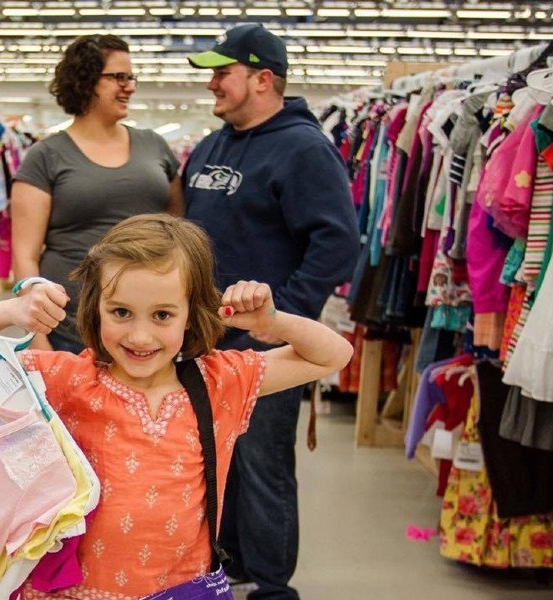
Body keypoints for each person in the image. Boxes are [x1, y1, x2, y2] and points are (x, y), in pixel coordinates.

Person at [0, 213, 353, 598]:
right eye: (121, 312)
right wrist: (10, 311)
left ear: (191, 316)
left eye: (162, 315)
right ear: (95, 308)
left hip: (182, 591)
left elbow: (332, 355)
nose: (140, 336)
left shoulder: (219, 381)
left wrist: (273, 322)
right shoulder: (67, 378)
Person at [183, 24, 361, 599]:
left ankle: (272, 586)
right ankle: (230, 560)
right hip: (203, 337)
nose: (212, 83)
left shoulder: (305, 148)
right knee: (216, 457)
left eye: (222, 72)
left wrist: (279, 321)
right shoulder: (213, 146)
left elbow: (336, 242)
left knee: (262, 465)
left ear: (262, 79)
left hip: (264, 344)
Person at [11, 34, 183, 354]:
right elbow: (25, 255)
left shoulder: (154, 146)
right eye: (118, 77)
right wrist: (35, 335)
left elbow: (178, 228)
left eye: (131, 77)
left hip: (149, 332)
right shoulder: (47, 155)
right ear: (85, 80)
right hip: (69, 330)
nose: (129, 86)